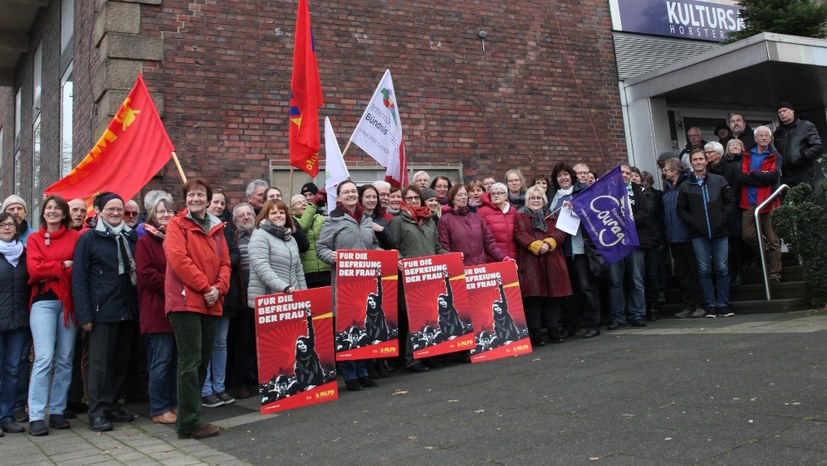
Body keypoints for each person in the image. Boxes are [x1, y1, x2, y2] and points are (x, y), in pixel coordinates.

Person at [164, 179, 231, 439]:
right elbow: (179, 261)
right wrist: (206, 288)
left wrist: (219, 288)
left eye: (200, 195)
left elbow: (225, 263)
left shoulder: (217, 229)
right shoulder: (176, 225)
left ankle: (192, 417)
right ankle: (188, 424)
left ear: (207, 199)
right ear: (185, 199)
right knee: (190, 362)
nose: (195, 199)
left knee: (201, 361)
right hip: (186, 302)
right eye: (191, 195)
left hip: (211, 300)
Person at [73, 192, 139, 432]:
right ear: (99, 211)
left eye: (119, 209)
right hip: (101, 311)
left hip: (127, 308)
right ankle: (97, 411)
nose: (115, 213)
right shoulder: (89, 239)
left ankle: (112, 405)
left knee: (120, 362)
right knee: (100, 364)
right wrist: (85, 315)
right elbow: (79, 280)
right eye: (110, 209)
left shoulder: (129, 238)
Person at [317, 181, 380, 391]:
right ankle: (350, 374)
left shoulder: (367, 219)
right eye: (346, 192)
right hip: (344, 285)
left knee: (364, 325)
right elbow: (321, 248)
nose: (351, 194)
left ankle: (363, 371)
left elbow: (373, 246)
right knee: (347, 328)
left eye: (353, 191)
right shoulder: (332, 220)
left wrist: (385, 256)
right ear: (339, 197)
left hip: (366, 282)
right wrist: (331, 256)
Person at [388, 185, 448, 373]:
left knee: (430, 316)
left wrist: (451, 256)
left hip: (431, 277)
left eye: (417, 198)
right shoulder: (397, 222)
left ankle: (427, 354)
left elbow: (437, 247)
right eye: (410, 198)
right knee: (414, 319)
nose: (414, 201)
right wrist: (399, 260)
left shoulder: (429, 221)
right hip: (410, 278)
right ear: (404, 200)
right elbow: (393, 248)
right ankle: (412, 359)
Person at [677, 148, 735, 318]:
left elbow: (730, 202)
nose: (698, 162)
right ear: (691, 163)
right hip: (698, 235)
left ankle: (723, 304)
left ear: (706, 161)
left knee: (722, 268)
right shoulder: (685, 186)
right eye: (695, 160)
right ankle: (710, 305)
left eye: (701, 159)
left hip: (720, 233)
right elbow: (681, 209)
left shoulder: (719, 180)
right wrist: (694, 223)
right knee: (703, 270)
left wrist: (722, 220)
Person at [136, 197, 178, 424]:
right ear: (152, 215)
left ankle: (172, 403)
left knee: (174, 361)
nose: (165, 215)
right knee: (160, 361)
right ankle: (159, 408)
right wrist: (174, 283)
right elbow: (146, 275)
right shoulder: (145, 242)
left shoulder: (177, 240)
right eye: (160, 212)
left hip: (177, 309)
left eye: (169, 211)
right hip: (156, 310)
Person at [514, 185, 572, 345]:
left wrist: (549, 242)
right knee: (534, 298)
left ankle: (553, 329)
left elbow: (561, 232)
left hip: (552, 260)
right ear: (527, 200)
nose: (535, 200)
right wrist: (535, 245)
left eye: (538, 198)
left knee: (553, 298)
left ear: (544, 200)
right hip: (531, 261)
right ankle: (535, 332)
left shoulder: (553, 216)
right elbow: (519, 233)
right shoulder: (520, 217)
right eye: (532, 198)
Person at [550, 163, 602, 338]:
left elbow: (594, 215)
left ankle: (593, 323)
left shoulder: (582, 193)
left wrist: (577, 208)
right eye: (559, 176)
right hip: (561, 251)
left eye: (565, 174)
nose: (563, 178)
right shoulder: (552, 196)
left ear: (572, 176)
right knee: (568, 291)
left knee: (586, 287)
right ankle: (571, 325)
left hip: (580, 248)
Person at [201, 188, 241, 408]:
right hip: (205, 292)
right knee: (206, 343)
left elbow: (234, 254)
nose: (218, 206)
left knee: (221, 343)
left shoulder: (227, 228)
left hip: (224, 291)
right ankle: (206, 389)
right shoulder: (199, 226)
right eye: (215, 202)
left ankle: (220, 386)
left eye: (222, 203)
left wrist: (221, 266)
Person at [606, 164, 651, 330]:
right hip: (614, 244)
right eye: (621, 173)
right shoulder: (607, 193)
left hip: (634, 242)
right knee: (615, 282)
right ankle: (618, 317)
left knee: (636, 279)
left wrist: (626, 223)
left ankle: (637, 314)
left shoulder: (639, 191)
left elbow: (645, 213)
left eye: (627, 172)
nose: (624, 175)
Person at [663, 158, 704, 318]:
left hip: (688, 235)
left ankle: (700, 304)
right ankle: (688, 305)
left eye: (666, 169)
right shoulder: (667, 188)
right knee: (682, 273)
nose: (664, 172)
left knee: (695, 271)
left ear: (675, 170)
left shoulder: (687, 185)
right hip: (673, 237)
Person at [741, 126, 783, 282]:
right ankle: (765, 250)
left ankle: (775, 273)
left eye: (767, 135)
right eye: (761, 135)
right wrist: (761, 176)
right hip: (750, 201)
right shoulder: (747, 155)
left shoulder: (775, 155)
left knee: (773, 238)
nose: (764, 138)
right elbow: (742, 177)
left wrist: (753, 173)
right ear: (755, 138)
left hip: (768, 200)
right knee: (747, 235)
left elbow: (773, 176)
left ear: (771, 138)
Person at [0, 213, 29, 435]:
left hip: (18, 322)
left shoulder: (24, 254)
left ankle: (7, 416)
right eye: (2, 224)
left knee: (12, 369)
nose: (7, 227)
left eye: (10, 224)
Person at [248, 198, 307, 303]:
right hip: (268, 299)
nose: (278, 215)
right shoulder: (260, 235)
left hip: (291, 297)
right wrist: (283, 287)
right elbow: (261, 266)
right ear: (266, 216)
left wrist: (304, 294)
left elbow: (298, 270)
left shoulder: (291, 239)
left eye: (281, 212)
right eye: (273, 213)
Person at [438, 184, 509, 266]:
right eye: (459, 195)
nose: (464, 197)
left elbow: (489, 244)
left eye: (465, 194)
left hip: (480, 268)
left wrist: (504, 258)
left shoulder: (476, 218)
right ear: (452, 199)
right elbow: (445, 248)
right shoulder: (445, 220)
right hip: (460, 270)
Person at [229, 203, 258, 398]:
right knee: (243, 342)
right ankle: (241, 382)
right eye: (241, 215)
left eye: (249, 214)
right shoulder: (232, 238)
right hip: (242, 297)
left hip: (262, 297)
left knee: (260, 342)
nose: (246, 217)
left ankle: (258, 377)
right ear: (234, 221)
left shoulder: (262, 235)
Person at [774, 101, 823, 188]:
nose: (782, 114)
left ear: (792, 111)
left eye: (784, 110)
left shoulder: (806, 126)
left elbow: (818, 146)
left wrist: (803, 155)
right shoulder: (778, 131)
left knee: (806, 200)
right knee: (786, 200)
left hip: (803, 172)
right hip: (785, 175)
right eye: (779, 112)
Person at [292, 192, 331, 288]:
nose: (303, 204)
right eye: (298, 203)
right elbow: (303, 226)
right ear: (292, 211)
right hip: (307, 273)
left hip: (326, 270)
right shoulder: (293, 223)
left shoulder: (320, 219)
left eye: (305, 201)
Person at [476, 182, 518, 263]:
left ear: (506, 195)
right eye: (493, 193)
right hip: (492, 259)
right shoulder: (482, 212)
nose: (496, 195)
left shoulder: (513, 211)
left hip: (513, 258)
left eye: (499, 193)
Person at [359, 185, 396, 250]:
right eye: (368, 197)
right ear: (361, 198)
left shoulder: (382, 220)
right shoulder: (355, 219)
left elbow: (392, 245)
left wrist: (382, 230)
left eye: (374, 197)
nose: (372, 200)